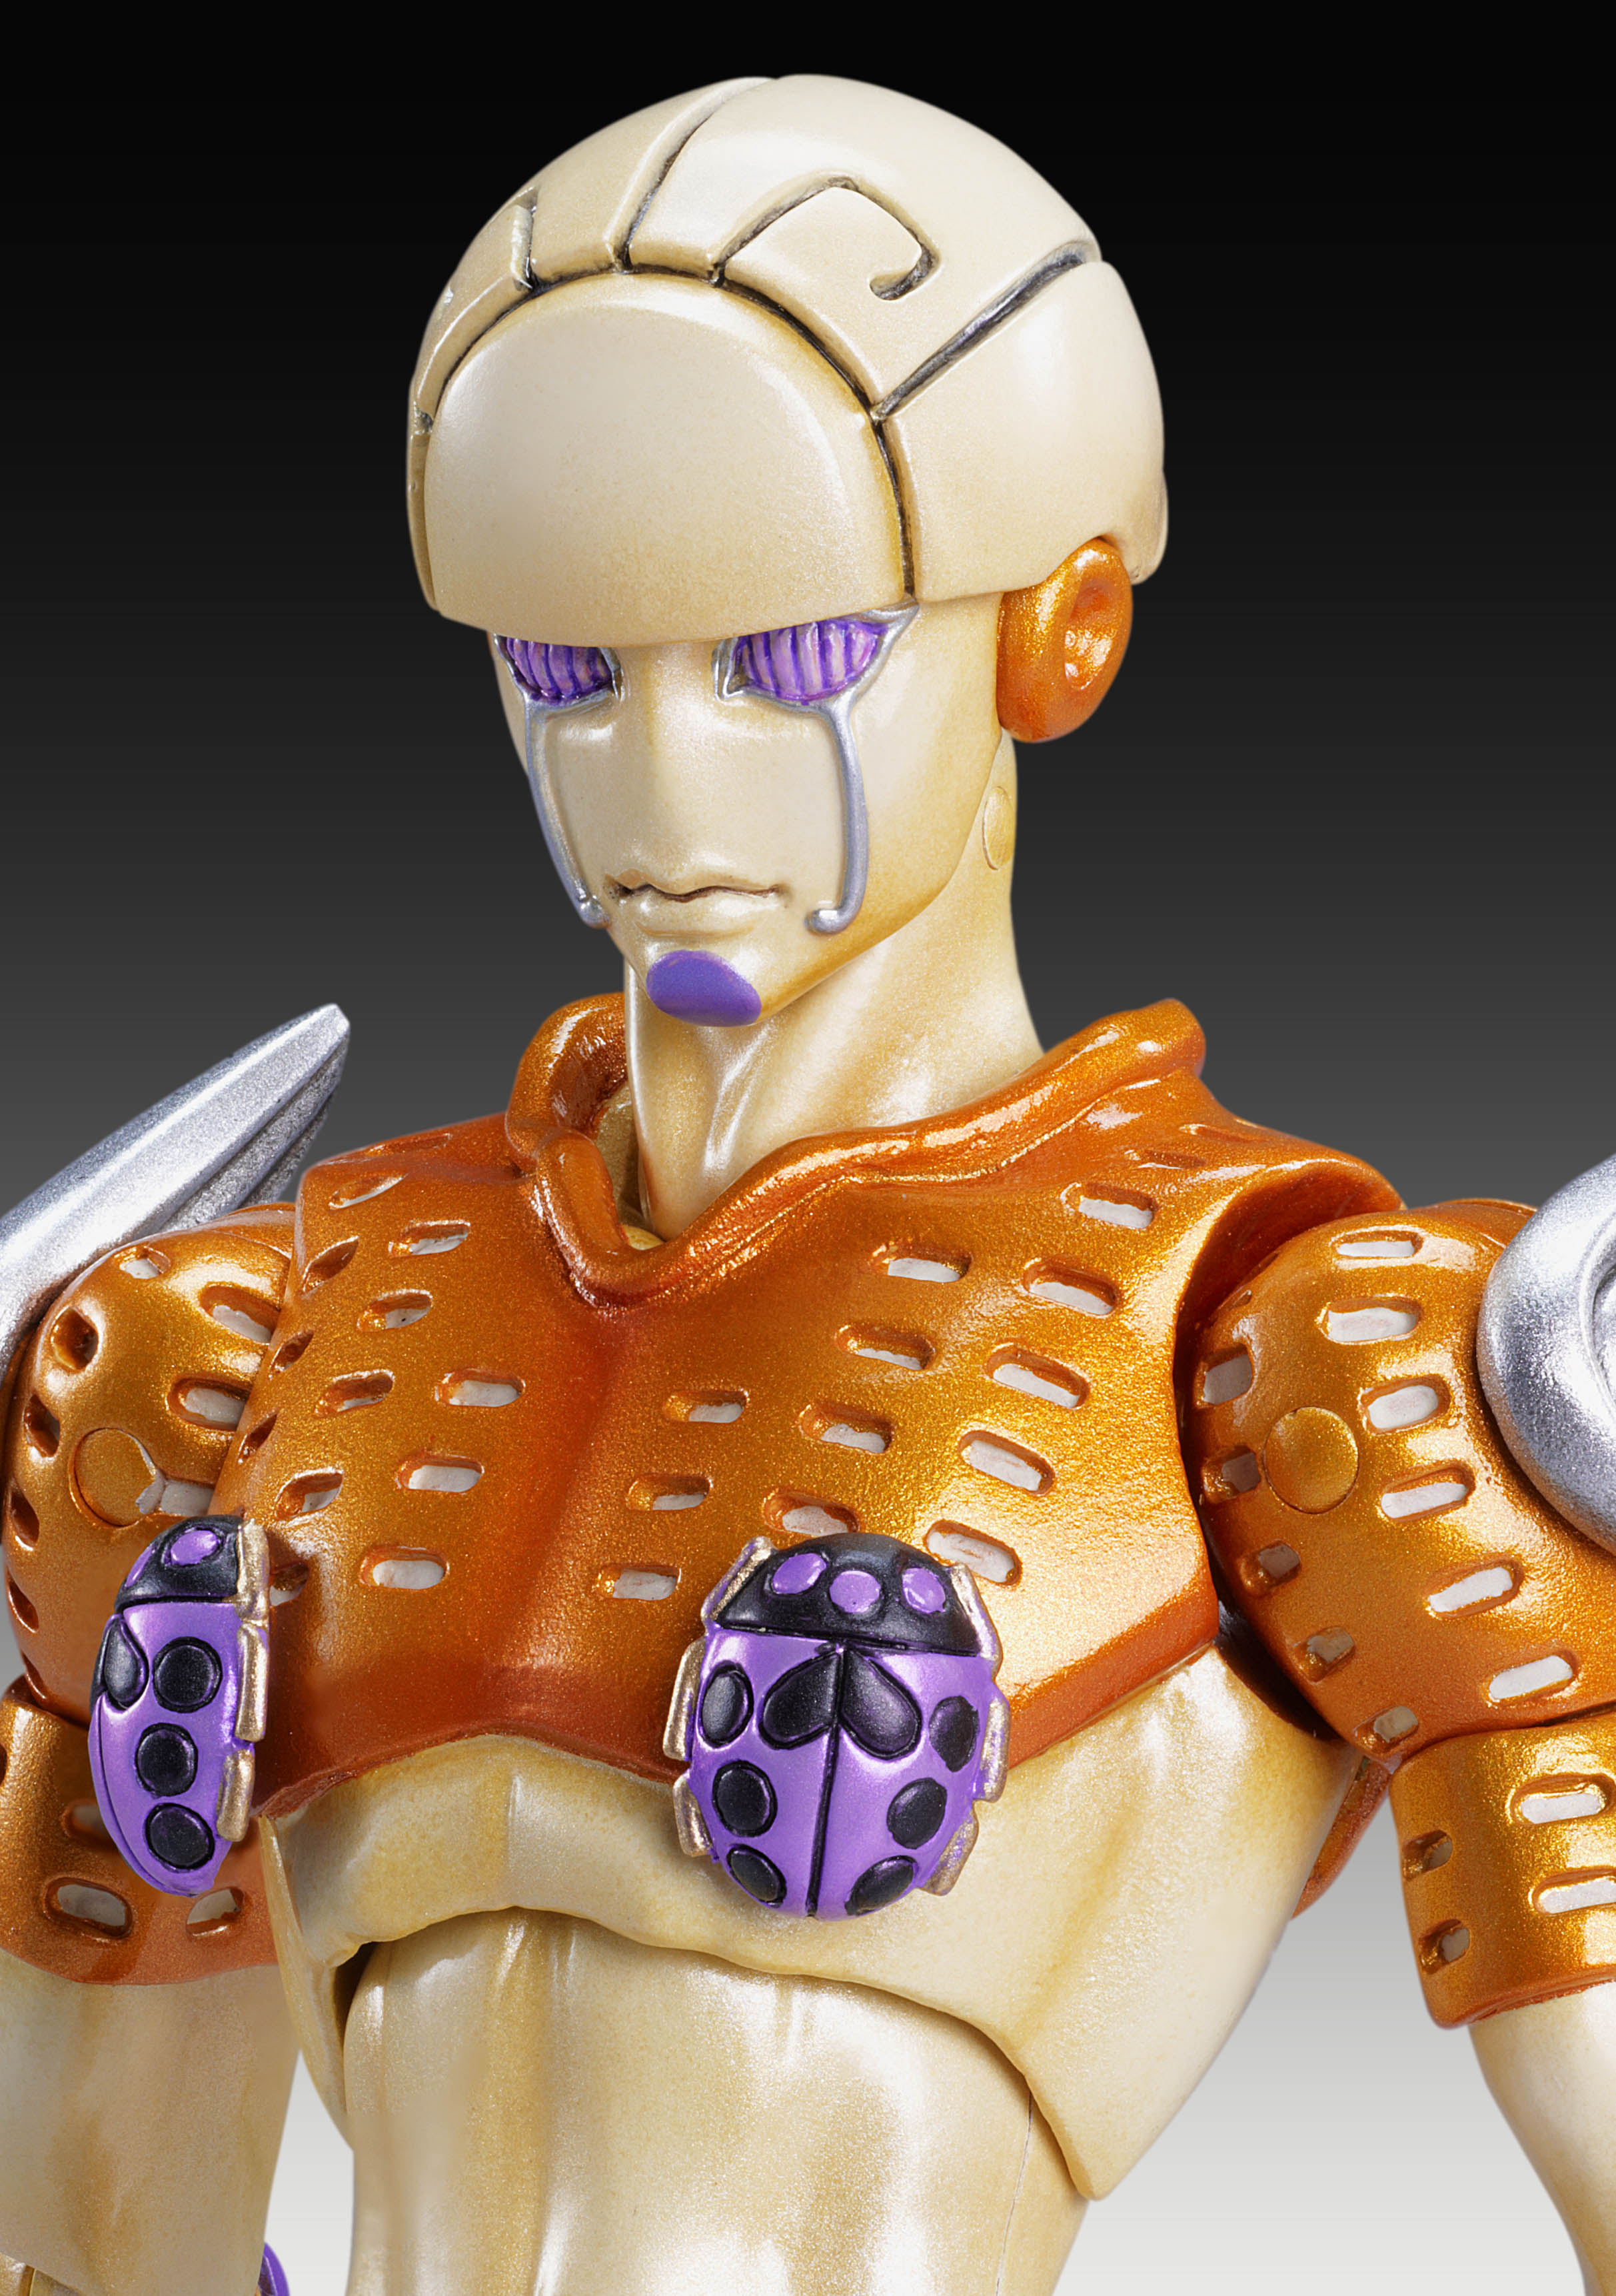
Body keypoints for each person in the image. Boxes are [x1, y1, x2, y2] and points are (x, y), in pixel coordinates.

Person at [3, 75, 1615, 2296]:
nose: (653, 787)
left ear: (1055, 631)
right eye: (566, 673)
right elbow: (83, 2204)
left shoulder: (1287, 1353)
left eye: (791, 666)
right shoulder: (253, 1344)